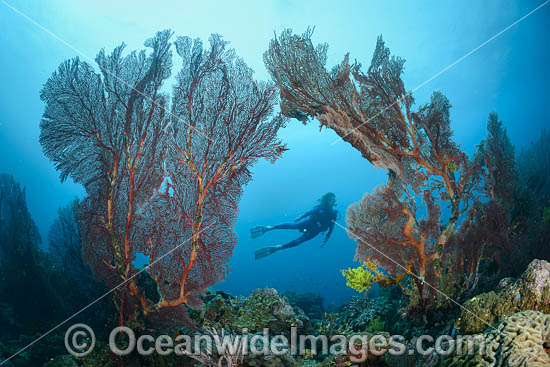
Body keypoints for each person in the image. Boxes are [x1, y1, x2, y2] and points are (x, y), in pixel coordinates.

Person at [252, 192, 338, 260]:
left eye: (334, 199)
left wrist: (327, 238)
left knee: (299, 241)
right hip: (309, 222)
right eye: (331, 199)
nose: (332, 201)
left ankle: (279, 247)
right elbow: (310, 212)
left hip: (315, 231)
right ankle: (270, 227)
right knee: (294, 225)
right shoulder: (321, 206)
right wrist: (300, 217)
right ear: (327, 200)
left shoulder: (334, 213)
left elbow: (332, 227)